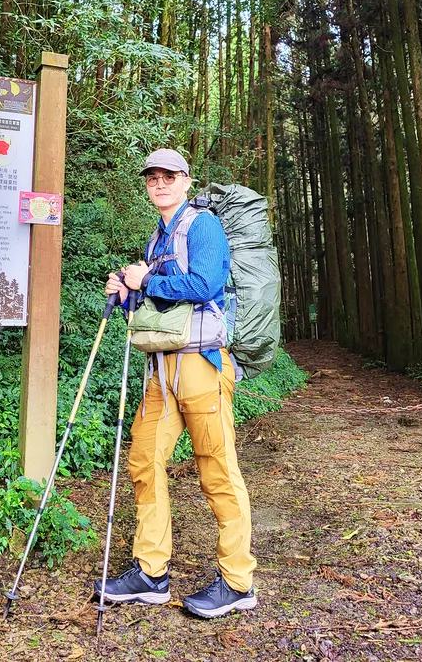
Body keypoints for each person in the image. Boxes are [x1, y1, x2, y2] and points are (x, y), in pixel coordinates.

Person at [94, 149, 257, 619]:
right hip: (161, 372)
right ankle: (151, 573)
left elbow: (206, 284)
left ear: (186, 181)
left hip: (202, 367)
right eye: (152, 177)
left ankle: (238, 581)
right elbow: (156, 314)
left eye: (169, 176)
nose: (159, 183)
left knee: (217, 470)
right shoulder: (156, 239)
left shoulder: (202, 226)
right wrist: (128, 294)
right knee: (144, 459)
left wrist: (150, 280)